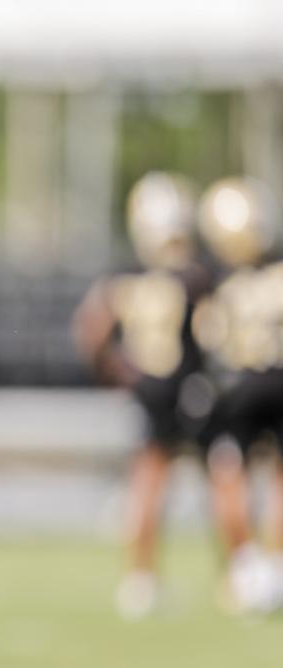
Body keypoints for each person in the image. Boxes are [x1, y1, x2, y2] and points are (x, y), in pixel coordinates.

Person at [71, 172, 263, 619]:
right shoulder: (197, 277)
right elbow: (221, 329)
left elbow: (91, 330)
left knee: (150, 477)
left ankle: (141, 579)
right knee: (223, 471)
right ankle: (242, 568)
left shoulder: (126, 275)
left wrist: (118, 373)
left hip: (150, 385)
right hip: (191, 385)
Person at [191, 176, 283, 615]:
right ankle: (276, 564)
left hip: (241, 383)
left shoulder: (217, 279)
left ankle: (247, 565)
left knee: (228, 469)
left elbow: (207, 336)